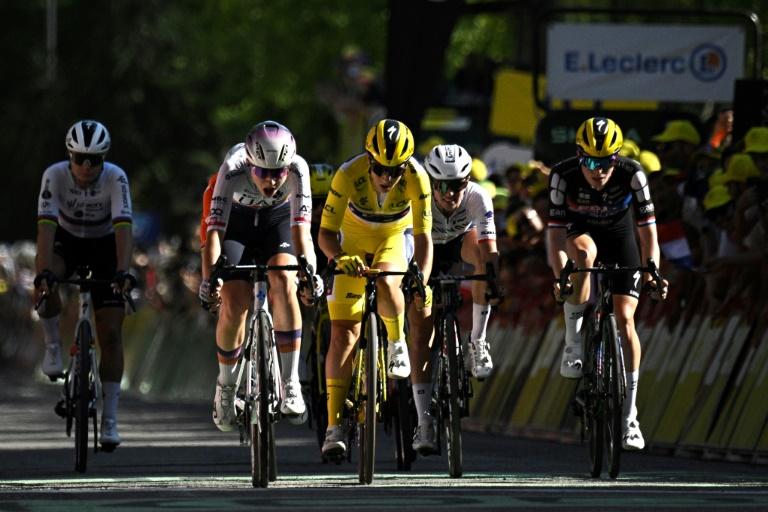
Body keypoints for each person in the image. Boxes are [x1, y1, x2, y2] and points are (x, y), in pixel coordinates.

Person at [546, 116, 668, 451]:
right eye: (590, 161)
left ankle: (630, 417)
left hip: (620, 236)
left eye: (606, 162)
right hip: (579, 232)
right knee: (584, 256)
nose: (598, 170)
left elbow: (648, 232)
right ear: (578, 155)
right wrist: (561, 275)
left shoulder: (632, 174)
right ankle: (573, 342)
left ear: (616, 159)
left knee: (626, 319)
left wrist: (652, 270)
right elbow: (555, 236)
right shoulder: (562, 175)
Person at [317, 118, 433, 460]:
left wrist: (421, 278)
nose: (387, 177)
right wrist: (339, 258)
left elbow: (424, 239)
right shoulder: (347, 174)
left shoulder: (417, 176)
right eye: (381, 168)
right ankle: (334, 427)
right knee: (342, 335)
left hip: (395, 238)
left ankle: (396, 344)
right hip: (351, 241)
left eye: (395, 170)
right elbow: (325, 235)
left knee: (387, 279)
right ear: (369, 159)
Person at [199, 121, 322, 431]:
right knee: (234, 302)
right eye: (262, 172)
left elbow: (302, 233)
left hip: (276, 221)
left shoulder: (298, 169)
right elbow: (213, 233)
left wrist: (310, 274)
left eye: (278, 172)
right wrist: (209, 280)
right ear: (250, 163)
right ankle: (226, 387)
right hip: (235, 222)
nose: (271, 180)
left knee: (285, 280)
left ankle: (290, 382)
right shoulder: (233, 167)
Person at [34, 120, 136, 450]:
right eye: (79, 159)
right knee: (47, 281)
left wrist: (123, 272)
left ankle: (110, 420)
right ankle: (52, 347)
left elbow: (123, 228)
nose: (86, 167)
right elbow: (45, 232)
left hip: (105, 245)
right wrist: (43, 274)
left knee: (110, 332)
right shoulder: (54, 175)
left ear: (104, 159)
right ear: (69, 156)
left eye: (94, 161)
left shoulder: (116, 178)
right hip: (66, 242)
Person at [407, 144, 503, 454]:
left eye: (459, 184)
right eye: (444, 186)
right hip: (424, 251)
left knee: (482, 262)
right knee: (421, 332)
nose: (452, 193)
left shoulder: (477, 196)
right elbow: (405, 246)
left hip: (460, 242)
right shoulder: (416, 196)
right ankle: (424, 423)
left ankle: (478, 341)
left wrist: (493, 278)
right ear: (432, 183)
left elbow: (490, 247)